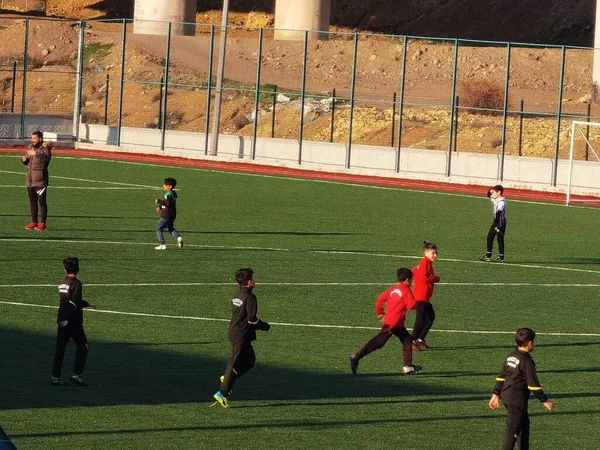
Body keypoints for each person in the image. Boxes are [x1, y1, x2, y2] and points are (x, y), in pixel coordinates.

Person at [213, 268, 270, 408]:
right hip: (241, 335)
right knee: (234, 362)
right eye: (252, 278)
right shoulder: (250, 297)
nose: (254, 280)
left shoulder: (237, 295)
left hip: (237, 331)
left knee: (250, 360)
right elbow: (252, 319)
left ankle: (228, 377)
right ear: (249, 282)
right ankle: (222, 392)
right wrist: (264, 326)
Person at [489, 328, 554, 450]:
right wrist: (545, 401)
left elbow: (501, 377)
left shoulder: (511, 356)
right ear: (530, 343)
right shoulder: (526, 361)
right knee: (512, 433)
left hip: (508, 396)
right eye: (533, 342)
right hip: (517, 400)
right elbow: (533, 385)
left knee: (523, 427)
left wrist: (495, 394)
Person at [349, 268, 421, 376]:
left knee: (407, 340)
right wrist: (420, 304)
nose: (412, 283)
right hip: (394, 323)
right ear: (407, 280)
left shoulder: (392, 289)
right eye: (411, 280)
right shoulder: (406, 290)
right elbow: (411, 305)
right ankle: (356, 357)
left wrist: (380, 313)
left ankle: (408, 366)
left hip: (396, 323)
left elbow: (380, 300)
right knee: (379, 342)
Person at [51, 257, 97, 387]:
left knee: (60, 349)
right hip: (73, 322)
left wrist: (86, 303)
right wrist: (68, 318)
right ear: (77, 269)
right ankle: (77, 374)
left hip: (61, 320)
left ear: (65, 270)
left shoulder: (63, 283)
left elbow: (68, 301)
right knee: (83, 347)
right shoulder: (77, 283)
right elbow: (74, 302)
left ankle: (56, 377)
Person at [411, 241, 440, 351]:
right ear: (426, 253)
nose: (435, 255)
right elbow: (424, 277)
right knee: (420, 319)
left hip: (424, 297)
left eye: (436, 253)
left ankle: (420, 339)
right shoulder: (424, 263)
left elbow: (414, 271)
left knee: (430, 317)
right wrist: (435, 278)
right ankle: (412, 340)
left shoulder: (425, 263)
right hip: (421, 296)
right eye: (433, 253)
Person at [22, 131, 52, 231]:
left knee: (42, 202)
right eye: (32, 138)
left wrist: (35, 153)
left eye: (34, 138)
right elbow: (27, 162)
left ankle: (42, 223)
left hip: (40, 181)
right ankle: (34, 222)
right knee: (32, 202)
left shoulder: (45, 149)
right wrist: (24, 159)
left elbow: (46, 159)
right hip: (30, 180)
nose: (32, 140)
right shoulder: (32, 148)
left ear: (40, 138)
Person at [154, 177, 183, 250]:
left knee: (159, 229)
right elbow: (168, 203)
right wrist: (160, 207)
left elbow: (168, 203)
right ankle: (178, 237)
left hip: (166, 215)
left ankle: (162, 244)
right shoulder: (173, 193)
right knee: (170, 227)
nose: (163, 185)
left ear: (170, 186)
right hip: (172, 214)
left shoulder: (168, 194)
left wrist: (159, 201)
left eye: (165, 184)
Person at [481, 184, 507, 263]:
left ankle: (501, 257)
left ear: (499, 192)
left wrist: (496, 225)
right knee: (490, 236)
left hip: (500, 222)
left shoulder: (501, 202)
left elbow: (499, 213)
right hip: (495, 221)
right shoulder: (495, 199)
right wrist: (490, 190)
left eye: (494, 192)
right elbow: (488, 195)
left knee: (500, 238)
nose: (493, 194)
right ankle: (488, 255)